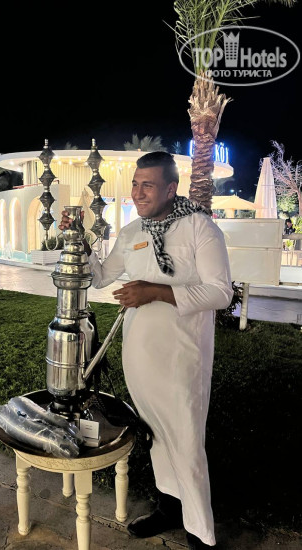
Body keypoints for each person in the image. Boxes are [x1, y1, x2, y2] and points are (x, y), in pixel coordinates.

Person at [59, 152, 233, 549]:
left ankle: (201, 535)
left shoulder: (200, 228)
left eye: (147, 185)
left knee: (186, 443)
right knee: (157, 436)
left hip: (182, 358)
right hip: (140, 357)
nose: (138, 192)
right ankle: (169, 508)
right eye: (135, 184)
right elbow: (100, 277)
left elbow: (221, 292)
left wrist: (154, 291)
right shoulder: (132, 232)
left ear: (171, 189)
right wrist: (79, 239)